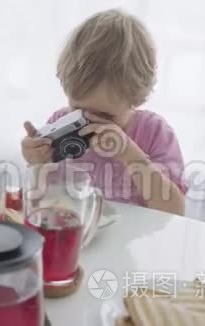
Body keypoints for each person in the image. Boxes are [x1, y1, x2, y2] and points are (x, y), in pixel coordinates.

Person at [21, 9, 186, 215]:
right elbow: (42, 201)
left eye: (106, 117)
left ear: (135, 99)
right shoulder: (60, 123)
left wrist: (129, 154)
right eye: (78, 111)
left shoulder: (154, 132)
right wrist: (37, 162)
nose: (89, 124)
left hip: (136, 241)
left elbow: (175, 211)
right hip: (77, 237)